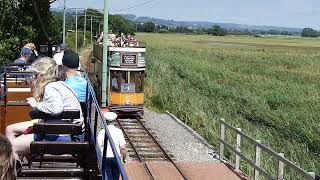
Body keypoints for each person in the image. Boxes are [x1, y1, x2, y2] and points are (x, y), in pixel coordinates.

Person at [5, 57, 83, 160]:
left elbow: (56, 109)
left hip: (59, 135)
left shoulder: (50, 87)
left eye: (36, 75)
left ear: (42, 76)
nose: (34, 78)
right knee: (10, 130)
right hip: (68, 132)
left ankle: (16, 171)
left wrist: (36, 104)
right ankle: (28, 158)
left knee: (11, 147)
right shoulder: (63, 85)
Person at [98, 112, 126, 180]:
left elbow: (99, 146)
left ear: (105, 121)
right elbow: (123, 147)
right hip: (116, 157)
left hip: (106, 157)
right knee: (116, 177)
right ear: (114, 121)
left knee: (108, 177)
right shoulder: (119, 131)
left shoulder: (102, 132)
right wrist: (124, 158)